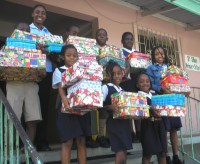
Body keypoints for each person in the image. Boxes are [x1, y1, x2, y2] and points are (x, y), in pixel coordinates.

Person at [52, 44, 91, 164]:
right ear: (63, 57)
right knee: (67, 141)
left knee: (81, 141)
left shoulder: (82, 70)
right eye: (68, 55)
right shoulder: (59, 70)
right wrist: (65, 100)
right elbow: (60, 88)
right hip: (66, 109)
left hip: (81, 109)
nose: (72, 58)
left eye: (75, 56)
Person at [6, 22, 42, 145]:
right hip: (13, 84)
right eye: (22, 29)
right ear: (15, 31)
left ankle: (28, 149)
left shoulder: (36, 49)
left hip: (31, 85)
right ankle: (11, 148)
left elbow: (42, 71)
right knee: (13, 118)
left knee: (32, 119)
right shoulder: (7, 46)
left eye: (27, 30)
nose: (25, 32)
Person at [146, 46, 183, 164]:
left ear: (165, 55)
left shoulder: (170, 68)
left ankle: (176, 157)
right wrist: (162, 89)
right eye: (157, 54)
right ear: (153, 56)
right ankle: (167, 157)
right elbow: (150, 84)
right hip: (160, 99)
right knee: (164, 129)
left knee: (174, 129)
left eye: (162, 53)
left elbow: (177, 80)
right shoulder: (150, 68)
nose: (160, 55)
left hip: (172, 100)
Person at [30, 4, 52, 151]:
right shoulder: (25, 30)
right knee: (30, 108)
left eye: (43, 13)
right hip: (31, 71)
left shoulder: (48, 33)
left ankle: (41, 142)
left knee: (44, 107)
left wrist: (50, 52)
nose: (40, 15)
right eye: (37, 12)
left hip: (47, 71)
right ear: (33, 14)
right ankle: (25, 141)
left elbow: (55, 51)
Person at [101, 61, 132, 164]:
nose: (116, 76)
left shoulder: (122, 90)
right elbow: (98, 105)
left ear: (122, 74)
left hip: (125, 124)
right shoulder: (106, 87)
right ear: (108, 75)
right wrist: (109, 107)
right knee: (120, 154)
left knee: (124, 152)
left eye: (118, 73)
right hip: (114, 123)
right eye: (113, 74)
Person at [135, 71, 167, 164]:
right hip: (147, 126)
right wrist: (150, 108)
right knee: (147, 153)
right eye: (142, 81)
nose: (145, 83)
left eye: (147, 81)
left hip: (159, 125)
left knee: (162, 153)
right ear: (137, 84)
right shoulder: (136, 97)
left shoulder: (155, 95)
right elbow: (138, 110)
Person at [120, 32, 141, 142]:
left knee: (137, 108)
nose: (129, 41)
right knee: (128, 108)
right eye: (126, 39)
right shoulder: (120, 53)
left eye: (131, 39)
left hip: (136, 83)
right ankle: (130, 132)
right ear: (122, 41)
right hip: (125, 83)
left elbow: (143, 67)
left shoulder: (137, 53)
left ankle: (139, 132)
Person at [95, 28, 110, 148]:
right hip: (96, 83)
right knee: (100, 109)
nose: (101, 36)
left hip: (109, 83)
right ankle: (99, 136)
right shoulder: (92, 49)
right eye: (99, 34)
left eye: (103, 34)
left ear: (107, 37)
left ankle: (107, 136)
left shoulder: (111, 50)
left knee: (109, 110)